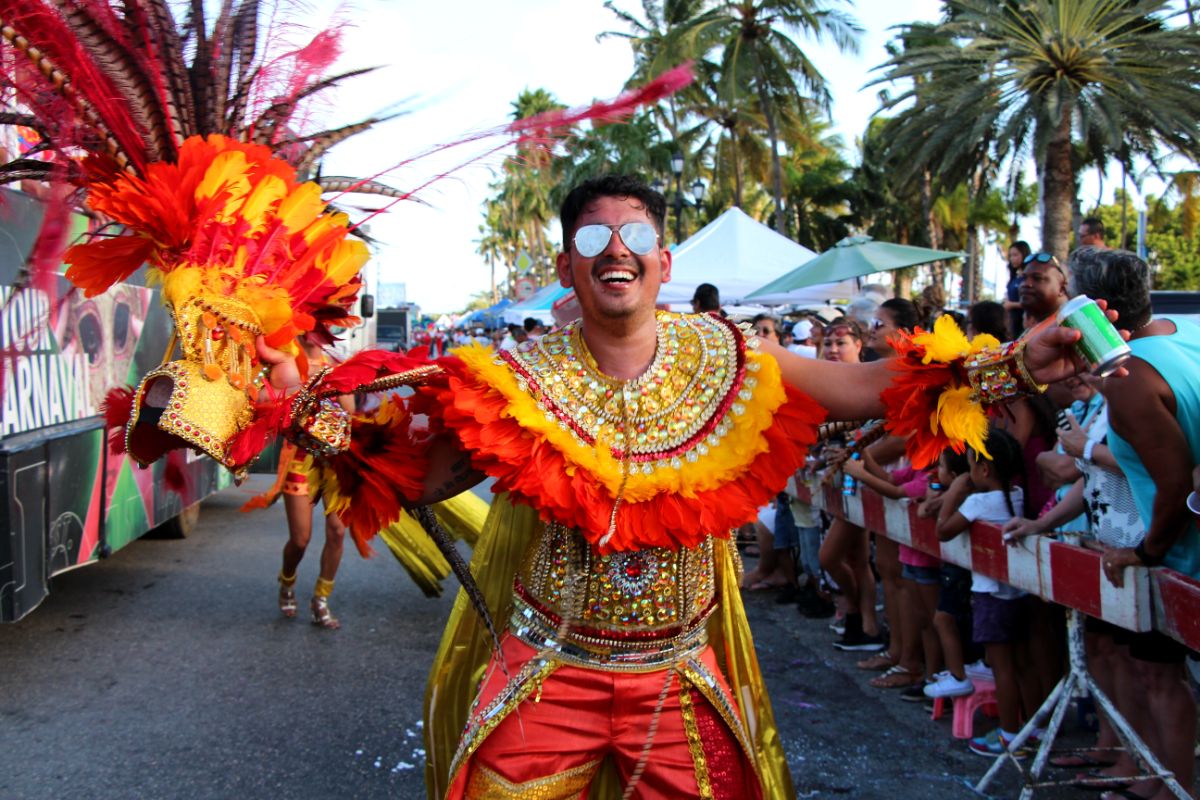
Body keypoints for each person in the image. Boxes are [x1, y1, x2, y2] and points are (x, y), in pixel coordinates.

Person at [260, 175, 1098, 798]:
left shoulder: (736, 361)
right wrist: (303, 409)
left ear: (663, 261)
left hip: (676, 683)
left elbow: (868, 388)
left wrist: (1009, 359)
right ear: (566, 266)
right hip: (548, 670)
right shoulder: (511, 380)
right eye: (592, 241)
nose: (613, 252)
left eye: (632, 237)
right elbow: (421, 483)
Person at [1071, 247, 1200, 800]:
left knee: (1160, 679)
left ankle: (1169, 790)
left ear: (1097, 309)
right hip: (1174, 549)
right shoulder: (1184, 332)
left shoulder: (1128, 375)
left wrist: (1146, 553)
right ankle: (1152, 778)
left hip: (1178, 556)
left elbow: (1174, 486)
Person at [936, 427, 1041, 757]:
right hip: (1018, 594)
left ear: (983, 470)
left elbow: (943, 530)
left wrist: (954, 491)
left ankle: (1010, 734)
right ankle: (1033, 727)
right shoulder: (1018, 496)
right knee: (1023, 664)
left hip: (990, 596)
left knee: (1002, 668)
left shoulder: (980, 502)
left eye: (969, 467)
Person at [1019, 251, 1069, 326]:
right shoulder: (1032, 329)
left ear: (1062, 289)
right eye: (1023, 278)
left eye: (1037, 278)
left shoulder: (1073, 327)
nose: (1026, 284)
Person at [1004, 241, 1033, 338]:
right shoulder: (1014, 278)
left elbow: (1032, 301)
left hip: (1025, 322)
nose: (1012, 259)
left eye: (1015, 255)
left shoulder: (1029, 277)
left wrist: (1012, 305)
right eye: (1011, 256)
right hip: (1013, 323)